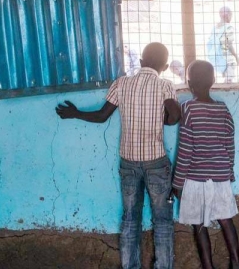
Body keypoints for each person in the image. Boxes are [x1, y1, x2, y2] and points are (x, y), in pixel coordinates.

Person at [55, 42, 181, 269]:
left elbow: (102, 116)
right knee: (162, 220)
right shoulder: (165, 85)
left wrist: (75, 114)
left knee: (130, 219)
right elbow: (174, 116)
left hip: (129, 164)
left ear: (141, 62)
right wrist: (161, 119)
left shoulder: (121, 84)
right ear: (165, 66)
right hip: (157, 163)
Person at [172, 60, 239, 269]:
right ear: (213, 80)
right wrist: (229, 171)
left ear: (188, 82)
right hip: (220, 176)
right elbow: (230, 145)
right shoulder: (223, 109)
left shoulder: (188, 109)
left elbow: (186, 149)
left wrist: (177, 183)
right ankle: (237, 263)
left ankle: (208, 266)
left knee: (200, 224)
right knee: (226, 219)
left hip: (195, 177)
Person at [206, 6, 239, 83]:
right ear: (228, 15)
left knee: (226, 77)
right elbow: (229, 44)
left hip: (215, 57)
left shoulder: (214, 28)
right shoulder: (229, 27)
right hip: (226, 57)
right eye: (231, 15)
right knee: (229, 79)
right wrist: (236, 57)